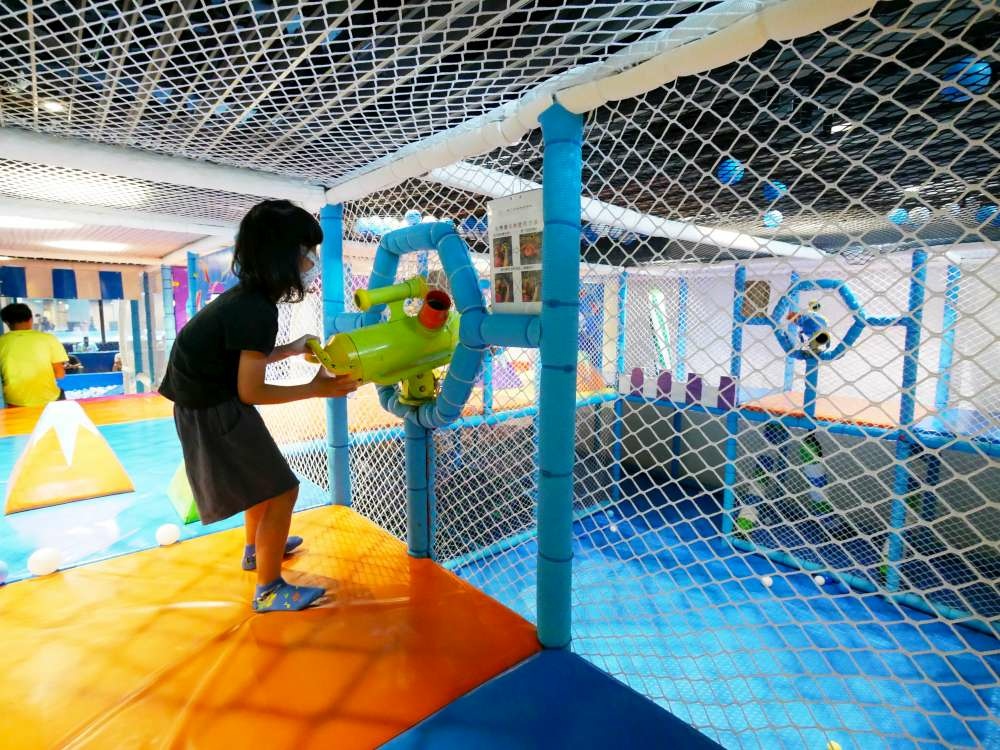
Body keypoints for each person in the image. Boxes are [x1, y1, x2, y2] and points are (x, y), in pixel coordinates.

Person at [159, 200, 358, 613]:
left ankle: (256, 549)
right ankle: (268, 589)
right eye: (306, 250)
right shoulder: (255, 309)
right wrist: (316, 388)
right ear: (282, 254)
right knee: (283, 490)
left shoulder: (247, 299)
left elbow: (238, 357)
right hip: (213, 408)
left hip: (206, 402)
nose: (311, 260)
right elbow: (251, 391)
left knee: (261, 485)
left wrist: (291, 348)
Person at [0, 303, 69, 407]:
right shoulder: (49, 339)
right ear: (31, 319)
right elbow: (60, 374)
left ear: (6, 322)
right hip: (49, 399)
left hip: (15, 401)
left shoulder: (2, 342)